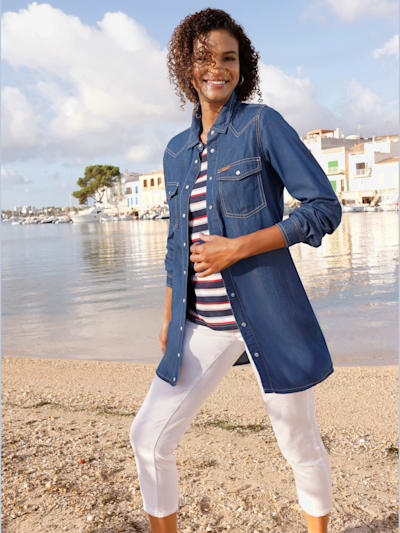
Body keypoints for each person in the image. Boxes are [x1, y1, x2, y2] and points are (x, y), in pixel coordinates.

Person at [130, 8, 342, 533]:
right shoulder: (175, 151)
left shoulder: (261, 125)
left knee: (298, 441)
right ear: (186, 67)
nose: (217, 68)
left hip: (270, 315)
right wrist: (168, 316)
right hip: (201, 323)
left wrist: (237, 248)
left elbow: (323, 207)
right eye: (205, 58)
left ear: (243, 68)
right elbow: (177, 243)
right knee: (148, 437)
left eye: (229, 58)